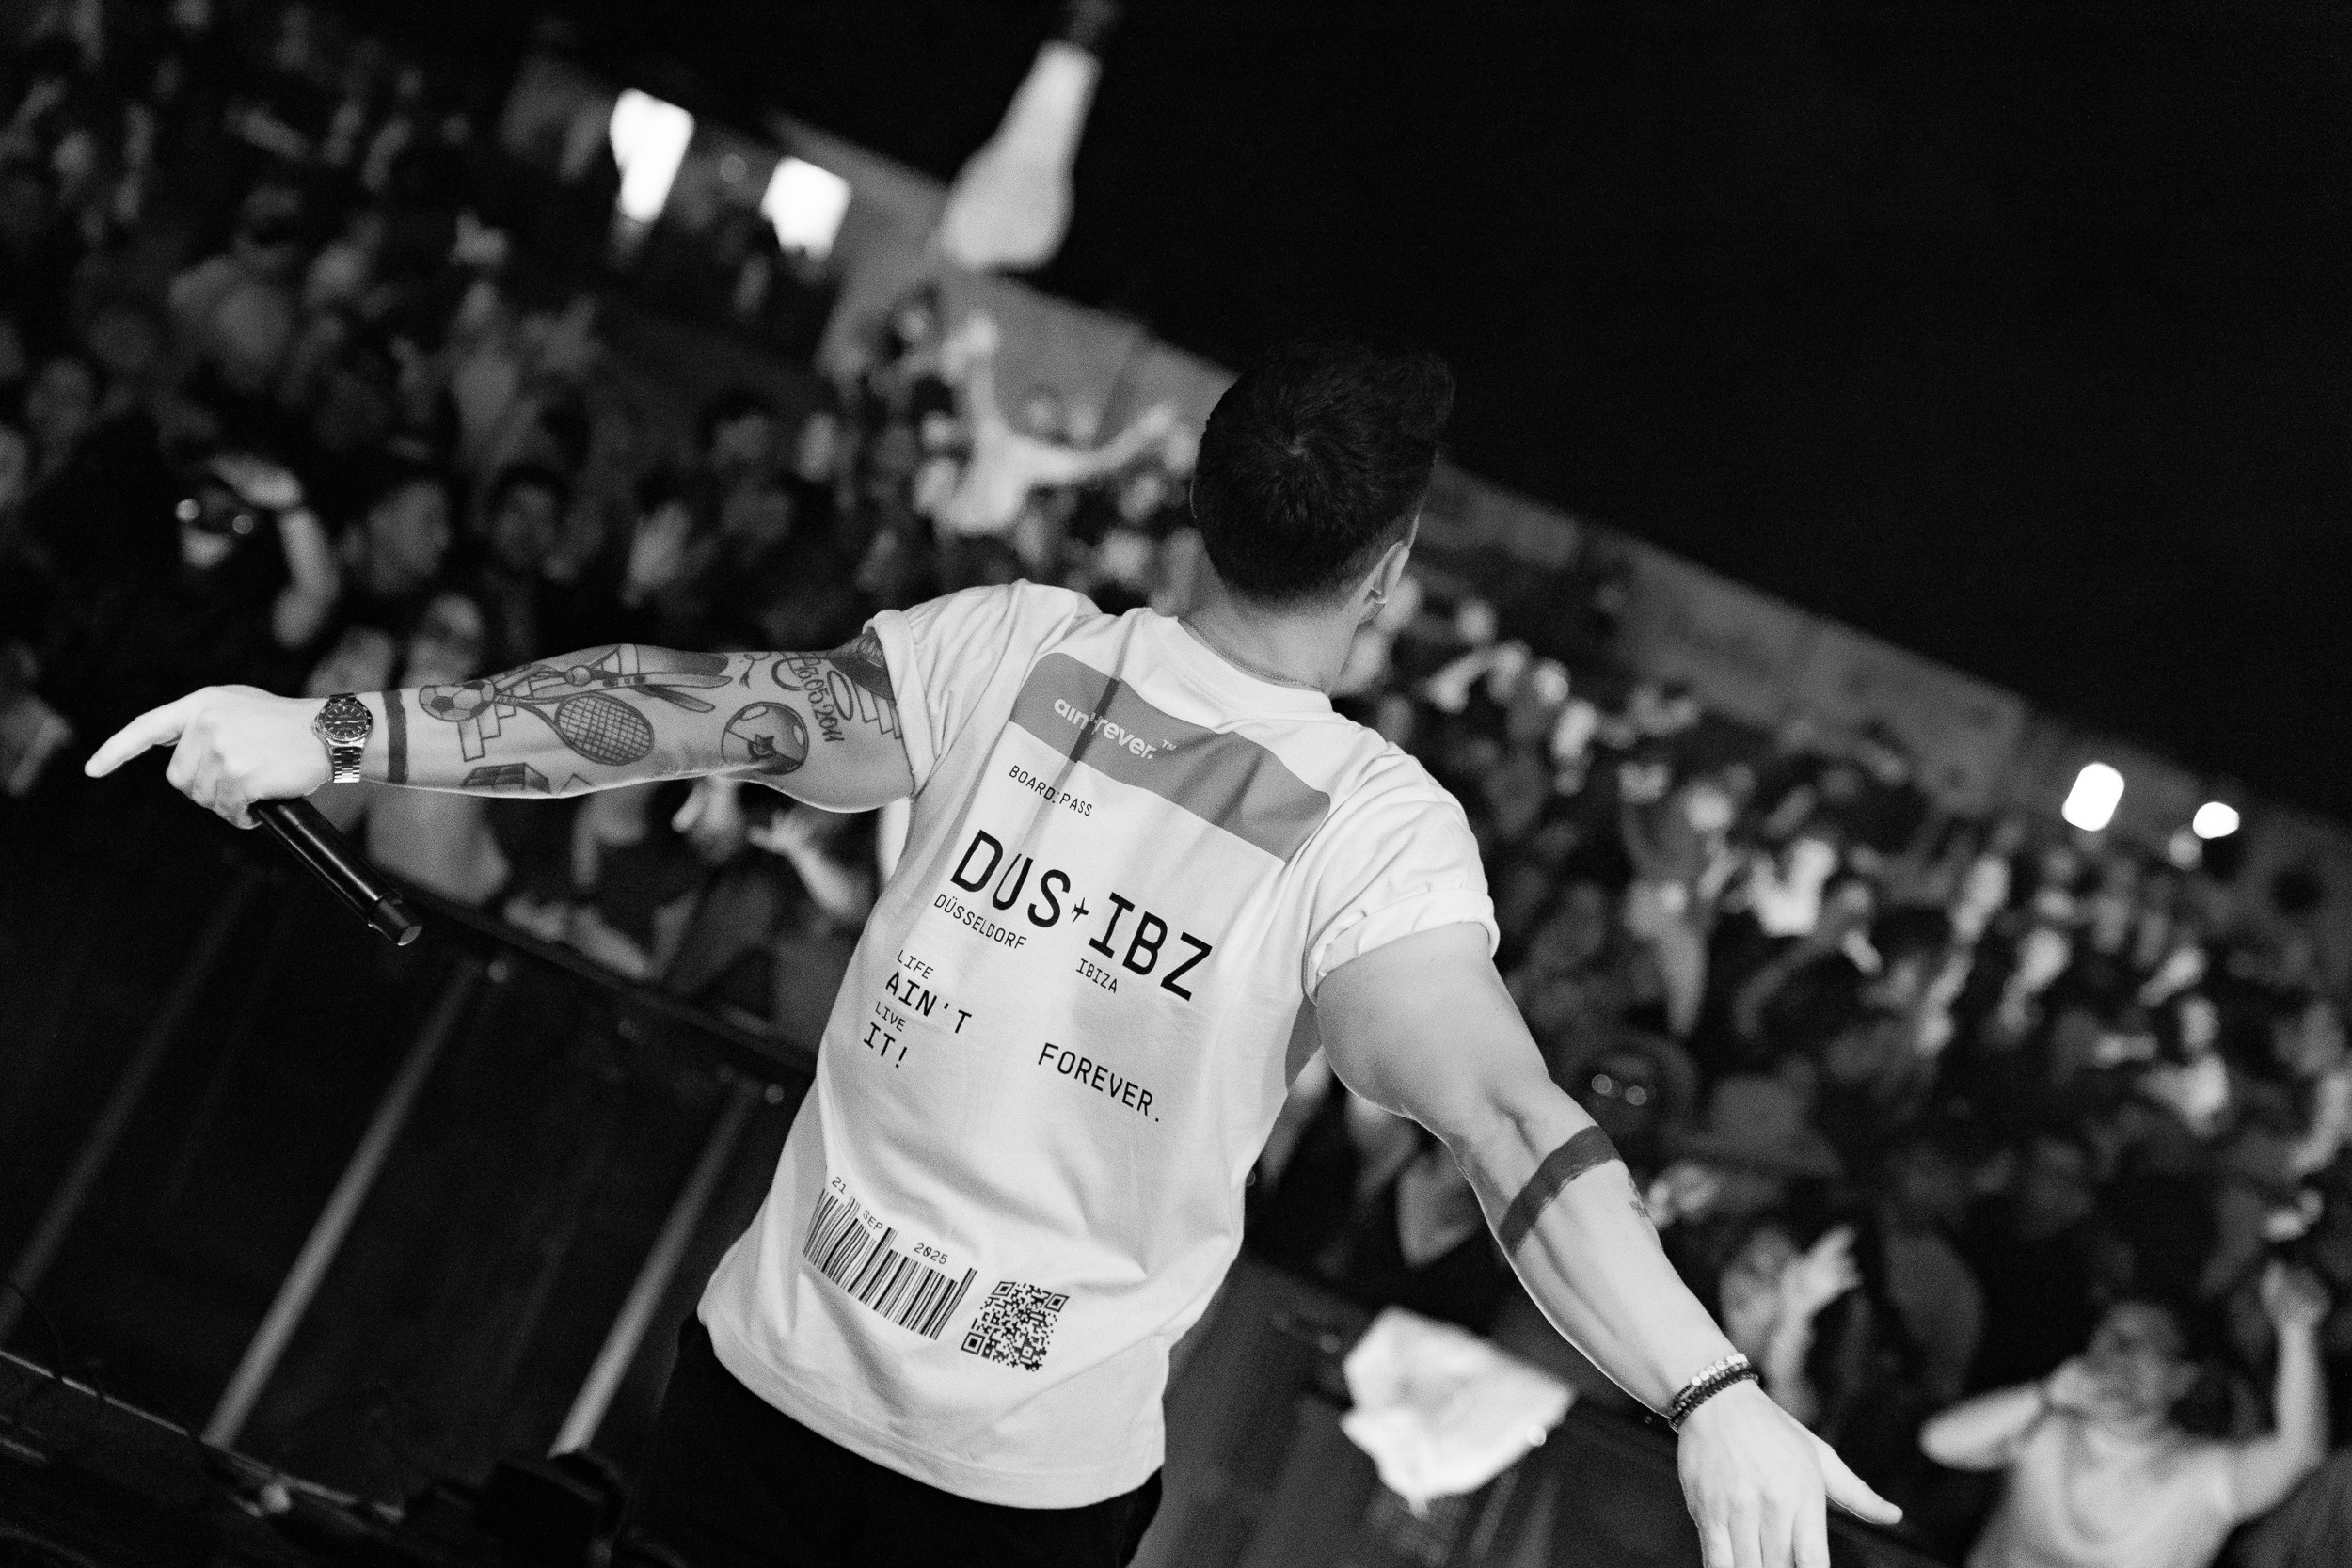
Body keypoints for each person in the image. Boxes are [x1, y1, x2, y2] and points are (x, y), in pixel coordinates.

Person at [88, 335, 1897, 1568]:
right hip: (1013, 1498)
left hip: (759, 1402)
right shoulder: (1369, 828)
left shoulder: (1005, 648)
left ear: (1198, 502)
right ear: (1389, 567)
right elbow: (1507, 1120)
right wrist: (1711, 1390)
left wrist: (332, 730)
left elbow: (683, 705)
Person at [1919, 1265, 2330, 1568]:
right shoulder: (2047, 1424)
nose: (2115, 1356)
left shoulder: (2201, 1472)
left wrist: (2297, 1331)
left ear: (2181, 1379)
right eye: (2109, 1338)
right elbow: (1938, 1443)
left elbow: (2299, 1451)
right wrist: (2043, 1394)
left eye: (2139, 1345)